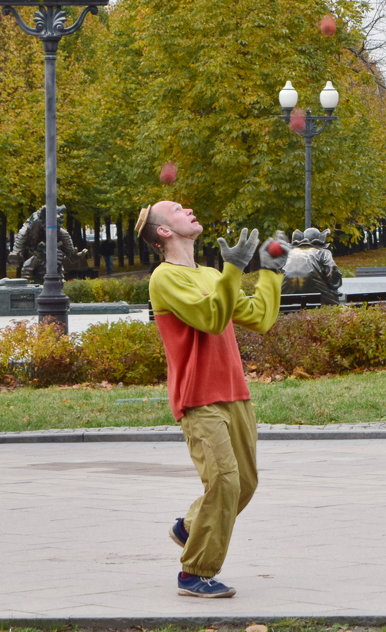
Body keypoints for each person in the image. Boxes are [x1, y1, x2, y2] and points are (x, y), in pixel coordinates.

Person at [135, 201, 288, 599]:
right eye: (175, 208)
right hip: (199, 397)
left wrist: (270, 272)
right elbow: (211, 318)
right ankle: (195, 573)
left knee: (245, 484)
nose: (186, 208)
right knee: (223, 480)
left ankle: (189, 526)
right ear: (163, 231)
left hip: (235, 392)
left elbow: (260, 317)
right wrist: (234, 270)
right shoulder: (164, 278)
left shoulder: (209, 274)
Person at [282, 227, 343, 305]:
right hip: (317, 293)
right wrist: (334, 287)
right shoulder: (323, 252)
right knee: (334, 304)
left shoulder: (288, 253)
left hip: (286, 293)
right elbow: (332, 270)